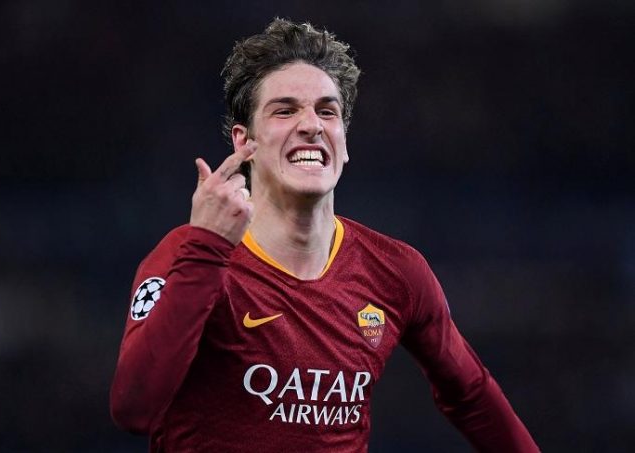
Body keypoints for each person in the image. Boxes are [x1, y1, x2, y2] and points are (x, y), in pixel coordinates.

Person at [110, 18, 539, 452]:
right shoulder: (190, 255)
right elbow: (133, 409)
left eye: (327, 111)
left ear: (344, 141)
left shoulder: (396, 271)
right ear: (244, 142)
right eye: (285, 110)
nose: (311, 124)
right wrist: (207, 248)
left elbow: (472, 395)